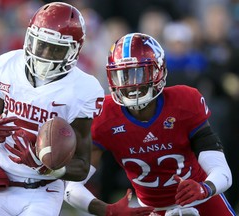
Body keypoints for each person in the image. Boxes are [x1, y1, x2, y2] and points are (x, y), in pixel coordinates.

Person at [63, 33, 236, 215]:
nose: (130, 84)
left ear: (157, 71)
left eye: (138, 73)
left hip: (201, 199)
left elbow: (222, 171)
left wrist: (204, 188)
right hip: (153, 210)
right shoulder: (104, 114)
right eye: (123, 75)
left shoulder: (184, 102)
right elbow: (72, 188)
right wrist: (108, 210)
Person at [0, 2, 104, 216]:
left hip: (43, 191)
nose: (46, 54)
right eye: (41, 44)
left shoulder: (83, 89)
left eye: (56, 48)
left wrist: (50, 167)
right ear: (29, 38)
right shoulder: (7, 65)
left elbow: (82, 166)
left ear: (74, 49)